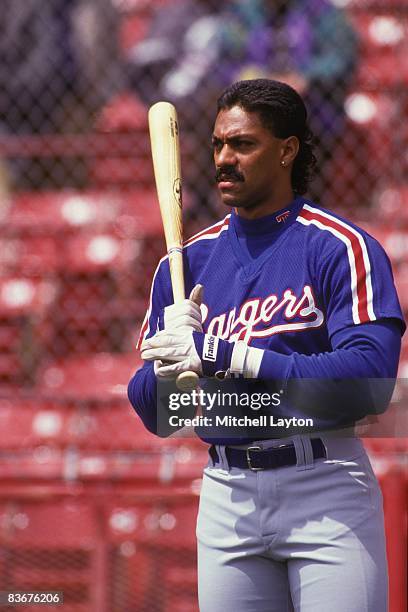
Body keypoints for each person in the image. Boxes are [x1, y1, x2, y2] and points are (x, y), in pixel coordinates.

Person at [128, 79, 405, 611]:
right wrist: (167, 370)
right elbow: (159, 417)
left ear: (287, 150)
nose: (224, 159)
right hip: (226, 490)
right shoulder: (183, 266)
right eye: (217, 145)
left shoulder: (339, 247)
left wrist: (224, 354)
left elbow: (369, 383)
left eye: (243, 144)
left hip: (324, 483)